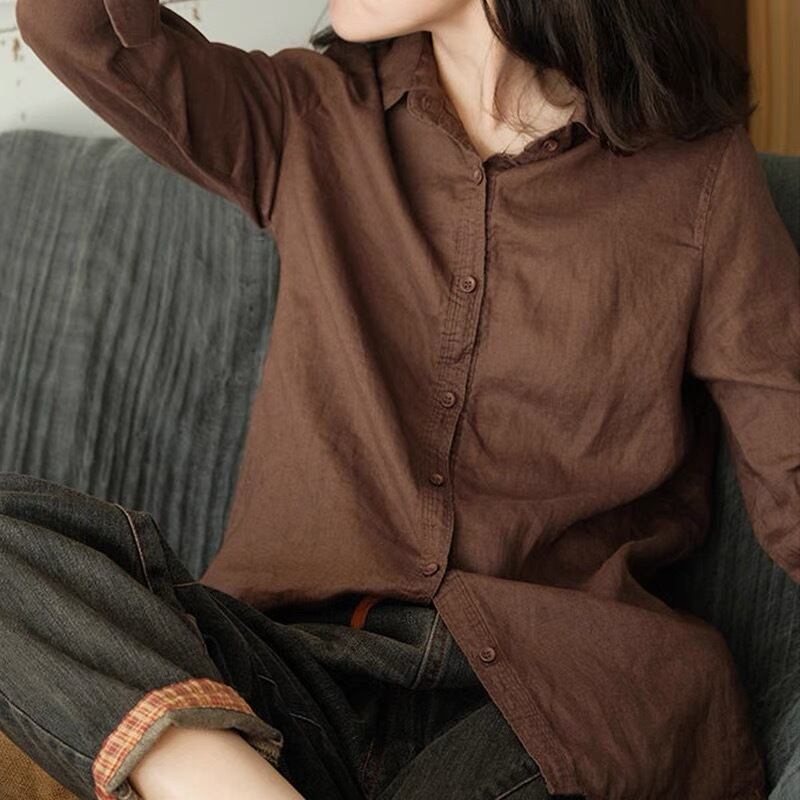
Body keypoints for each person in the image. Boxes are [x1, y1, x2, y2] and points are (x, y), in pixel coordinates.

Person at [5, 1, 798, 799]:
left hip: (552, 697)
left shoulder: (699, 178)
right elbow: (75, 25)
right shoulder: (310, 113)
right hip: (291, 673)